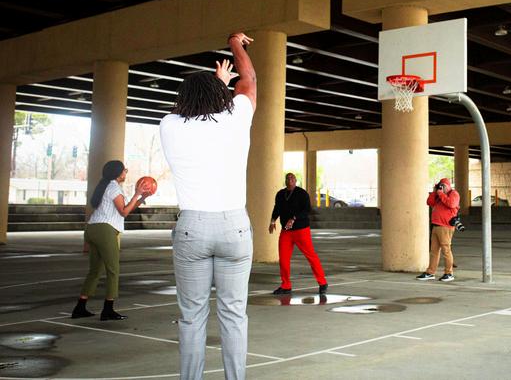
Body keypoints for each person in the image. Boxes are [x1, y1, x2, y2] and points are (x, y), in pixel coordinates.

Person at [160, 32, 256, 380]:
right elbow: (249, 80)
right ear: (221, 95)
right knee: (234, 314)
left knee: (191, 316)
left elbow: (185, 111)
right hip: (234, 226)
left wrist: (213, 86)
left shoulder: (169, 125)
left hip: (193, 227)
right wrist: (235, 44)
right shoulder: (237, 118)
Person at [72, 160, 150, 320]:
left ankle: (80, 307)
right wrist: (137, 193)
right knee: (113, 270)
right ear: (118, 173)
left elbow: (126, 208)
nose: (126, 172)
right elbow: (124, 212)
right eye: (124, 170)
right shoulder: (114, 188)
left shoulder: (105, 186)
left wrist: (141, 197)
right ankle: (108, 310)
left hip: (92, 229)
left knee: (95, 271)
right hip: (105, 230)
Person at [268, 173, 328, 295]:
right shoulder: (280, 194)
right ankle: (286, 285)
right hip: (286, 231)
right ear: (285, 181)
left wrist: (293, 218)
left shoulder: (302, 194)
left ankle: (322, 282)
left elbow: (306, 210)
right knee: (283, 258)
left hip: (301, 230)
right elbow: (277, 208)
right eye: (287, 178)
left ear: (295, 181)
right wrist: (273, 221)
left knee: (311, 256)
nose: (290, 180)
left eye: (292, 178)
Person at [416, 178, 460, 282]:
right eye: (440, 186)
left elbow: (451, 204)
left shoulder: (453, 193)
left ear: (448, 186)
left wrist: (441, 194)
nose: (441, 188)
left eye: (443, 186)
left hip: (445, 226)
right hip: (436, 226)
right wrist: (434, 191)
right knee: (434, 251)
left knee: (446, 250)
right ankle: (430, 272)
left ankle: (449, 273)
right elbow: (429, 202)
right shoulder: (438, 196)